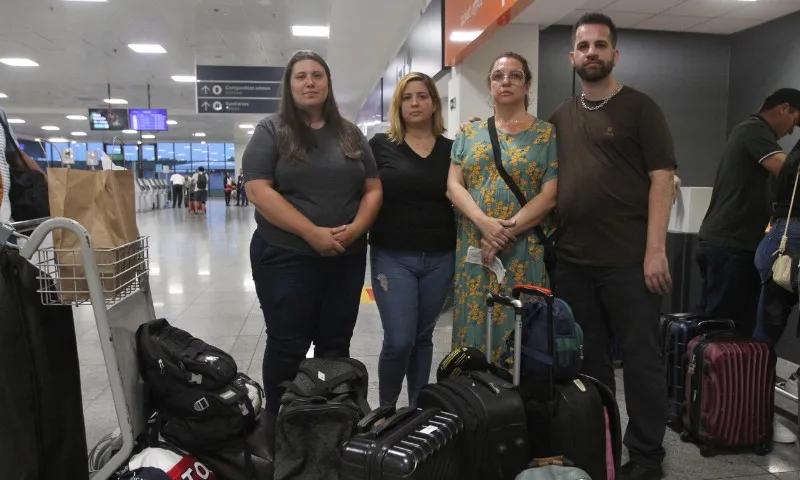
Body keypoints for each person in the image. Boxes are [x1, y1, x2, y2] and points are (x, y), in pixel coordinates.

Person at [548, 13, 676, 480]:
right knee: (588, 363)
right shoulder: (560, 115)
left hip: (630, 262)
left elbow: (663, 178)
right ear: (573, 57)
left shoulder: (641, 108)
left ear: (614, 54)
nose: (592, 53)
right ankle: (597, 446)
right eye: (584, 46)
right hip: (574, 263)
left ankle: (645, 457)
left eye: (600, 45)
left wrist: (655, 250)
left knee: (641, 361)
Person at [242, 50, 382, 416]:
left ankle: (329, 420)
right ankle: (279, 423)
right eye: (301, 76)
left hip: (345, 258)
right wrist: (311, 232)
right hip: (285, 256)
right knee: (288, 343)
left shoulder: (350, 134)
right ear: (289, 86)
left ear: (328, 83)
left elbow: (373, 189)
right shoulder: (271, 130)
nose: (309, 82)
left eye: (317, 75)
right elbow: (258, 190)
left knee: (336, 343)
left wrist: (355, 230)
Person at [447, 51, 558, 364]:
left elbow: (550, 195)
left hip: (525, 249)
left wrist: (502, 231)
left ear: (527, 85)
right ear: (489, 85)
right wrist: (485, 225)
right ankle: (472, 400)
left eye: (515, 75)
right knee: (473, 327)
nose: (506, 81)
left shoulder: (547, 134)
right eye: (498, 76)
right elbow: (454, 186)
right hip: (475, 250)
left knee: (522, 329)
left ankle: (522, 404)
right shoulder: (469, 134)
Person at [368, 72, 456, 408]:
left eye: (422, 96)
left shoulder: (453, 148)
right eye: (407, 97)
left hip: (440, 257)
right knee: (399, 339)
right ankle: (387, 411)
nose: (415, 103)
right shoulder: (379, 146)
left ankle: (418, 409)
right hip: (393, 256)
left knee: (422, 337)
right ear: (398, 105)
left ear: (435, 103)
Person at [697, 88, 800, 337]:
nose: (790, 131)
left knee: (717, 322)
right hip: (731, 244)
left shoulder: (751, 134)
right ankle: (719, 375)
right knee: (726, 328)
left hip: (727, 243)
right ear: (784, 108)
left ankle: (706, 373)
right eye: (794, 122)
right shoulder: (753, 130)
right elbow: (788, 172)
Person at [753, 137, 800, 444]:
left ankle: (754, 419)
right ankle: (761, 420)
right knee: (765, 338)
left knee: (764, 338)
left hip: (779, 237)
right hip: (793, 241)